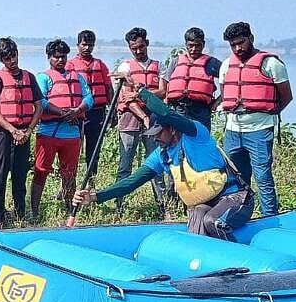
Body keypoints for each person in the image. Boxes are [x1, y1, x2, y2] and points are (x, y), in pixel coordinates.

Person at [74, 91, 254, 241]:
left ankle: (236, 267)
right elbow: (131, 183)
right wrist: (96, 196)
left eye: (158, 132)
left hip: (235, 198)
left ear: (172, 129)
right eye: (152, 133)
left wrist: (141, 91)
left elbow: (168, 114)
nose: (154, 137)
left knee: (211, 221)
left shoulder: (196, 136)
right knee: (198, 216)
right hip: (206, 204)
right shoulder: (161, 155)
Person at [219, 22, 293, 217]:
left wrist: (266, 112)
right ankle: (236, 218)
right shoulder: (226, 65)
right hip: (233, 130)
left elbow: (286, 96)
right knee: (234, 179)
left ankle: (270, 218)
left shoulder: (271, 64)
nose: (238, 48)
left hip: (260, 129)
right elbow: (225, 93)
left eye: (241, 42)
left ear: (251, 38)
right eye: (233, 44)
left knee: (263, 177)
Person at [0, 37, 43, 229]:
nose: (12, 60)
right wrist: (12, 130)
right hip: (3, 134)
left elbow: (38, 106)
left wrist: (28, 130)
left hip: (24, 133)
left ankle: (20, 215)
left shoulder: (29, 77)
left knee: (20, 177)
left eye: (14, 55)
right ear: (1, 60)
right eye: (7, 58)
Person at [32, 39, 92, 220]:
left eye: (63, 56)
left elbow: (89, 98)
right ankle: (34, 210)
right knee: (41, 170)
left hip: (72, 133)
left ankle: (70, 208)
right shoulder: (43, 77)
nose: (60, 60)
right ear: (49, 58)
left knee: (70, 172)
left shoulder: (78, 77)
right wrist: (61, 112)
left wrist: (77, 110)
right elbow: (40, 101)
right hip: (48, 132)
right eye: (56, 57)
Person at [113, 27, 165, 209]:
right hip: (130, 120)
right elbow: (126, 98)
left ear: (147, 44)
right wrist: (143, 115)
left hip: (153, 119)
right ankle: (120, 206)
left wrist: (139, 95)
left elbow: (162, 91)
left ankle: (163, 205)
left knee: (156, 163)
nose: (138, 51)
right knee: (125, 165)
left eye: (141, 46)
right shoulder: (125, 67)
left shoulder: (159, 66)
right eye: (133, 48)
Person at [65, 29, 113, 174]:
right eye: (84, 44)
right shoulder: (70, 65)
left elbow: (108, 88)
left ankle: (91, 180)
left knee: (94, 148)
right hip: (79, 112)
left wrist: (112, 110)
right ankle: (67, 182)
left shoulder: (101, 65)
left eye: (90, 45)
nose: (87, 48)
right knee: (73, 148)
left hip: (97, 112)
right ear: (78, 45)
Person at [162, 27, 221, 130]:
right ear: (186, 45)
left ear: (203, 44)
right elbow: (165, 82)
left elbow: (230, 81)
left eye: (198, 45)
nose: (194, 49)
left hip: (201, 110)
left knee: (200, 140)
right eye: (191, 46)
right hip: (178, 109)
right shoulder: (176, 61)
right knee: (178, 140)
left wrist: (218, 101)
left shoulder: (212, 63)